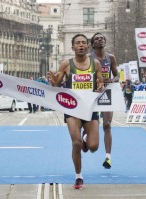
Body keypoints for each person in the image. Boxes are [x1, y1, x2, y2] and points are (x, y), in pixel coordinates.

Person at [47, 33, 104, 189]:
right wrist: (53, 82)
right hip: (72, 108)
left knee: (93, 147)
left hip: (90, 108)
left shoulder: (96, 64)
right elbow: (56, 85)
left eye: (83, 43)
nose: (80, 45)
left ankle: (87, 140)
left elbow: (100, 83)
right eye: (77, 43)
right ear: (72, 47)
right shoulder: (66, 64)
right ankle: (78, 176)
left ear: (88, 46)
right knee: (76, 142)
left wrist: (100, 86)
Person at [90, 32, 119, 169]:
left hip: (107, 92)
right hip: (92, 94)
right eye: (97, 39)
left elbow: (117, 76)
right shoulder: (88, 58)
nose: (100, 40)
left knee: (107, 124)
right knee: (90, 124)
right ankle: (86, 140)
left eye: (102, 38)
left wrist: (112, 80)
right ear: (93, 44)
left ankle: (108, 157)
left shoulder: (110, 57)